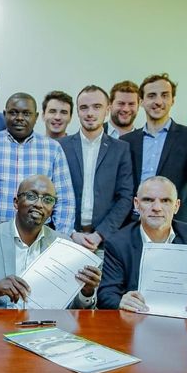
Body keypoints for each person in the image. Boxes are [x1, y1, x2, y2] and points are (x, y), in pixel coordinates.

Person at [97, 176, 187, 320]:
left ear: (176, 206)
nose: (156, 208)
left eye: (165, 201)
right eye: (148, 200)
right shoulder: (118, 242)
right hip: (135, 324)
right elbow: (107, 294)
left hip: (186, 322)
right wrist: (121, 302)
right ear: (136, 204)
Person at [0, 175, 101, 309]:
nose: (39, 204)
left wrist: (87, 292)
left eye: (47, 199)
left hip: (46, 325)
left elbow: (73, 310)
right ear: (16, 202)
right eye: (32, 196)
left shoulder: (63, 245)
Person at [0, 93, 76, 235]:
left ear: (36, 117)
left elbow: (65, 201)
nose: (19, 118)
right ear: (4, 114)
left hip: (38, 234)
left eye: (26, 113)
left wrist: (61, 240)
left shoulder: (52, 149)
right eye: (13, 113)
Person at [120, 73, 187, 243]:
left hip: (174, 227)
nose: (158, 101)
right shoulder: (127, 141)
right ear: (141, 101)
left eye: (165, 95)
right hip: (132, 226)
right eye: (151, 96)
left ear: (173, 100)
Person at [60, 85, 133, 252]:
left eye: (97, 107)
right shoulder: (61, 146)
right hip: (67, 239)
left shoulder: (121, 149)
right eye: (84, 108)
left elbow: (125, 197)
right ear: (77, 112)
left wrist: (100, 234)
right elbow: (53, 195)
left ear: (107, 110)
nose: (90, 113)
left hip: (106, 242)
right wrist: (70, 233)